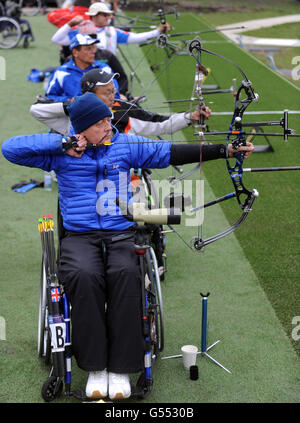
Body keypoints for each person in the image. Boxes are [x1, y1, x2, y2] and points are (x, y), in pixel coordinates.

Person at [2, 93, 253, 400]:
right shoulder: (62, 152)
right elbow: (9, 149)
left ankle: (120, 368)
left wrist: (225, 149)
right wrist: (61, 145)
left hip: (121, 232)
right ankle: (96, 367)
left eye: (108, 118)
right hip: (80, 237)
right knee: (83, 275)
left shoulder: (124, 144)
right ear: (81, 130)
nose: (110, 125)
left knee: (125, 273)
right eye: (100, 122)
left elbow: (170, 152)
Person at [31, 69, 211, 137]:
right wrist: (75, 106)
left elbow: (161, 124)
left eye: (113, 91)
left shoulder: (123, 109)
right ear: (88, 95)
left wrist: (191, 117)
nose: (113, 97)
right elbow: (36, 111)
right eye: (107, 93)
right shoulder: (75, 115)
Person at [51, 2, 170, 56]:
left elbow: (136, 38)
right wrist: (70, 24)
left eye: (109, 15)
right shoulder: (81, 31)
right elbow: (56, 39)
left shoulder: (112, 32)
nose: (108, 17)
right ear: (94, 16)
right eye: (104, 15)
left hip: (108, 72)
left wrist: (158, 31)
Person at [46, 33, 120, 102]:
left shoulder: (104, 69)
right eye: (88, 49)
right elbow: (50, 97)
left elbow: (115, 93)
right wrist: (68, 100)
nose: (93, 52)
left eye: (93, 48)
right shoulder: (61, 72)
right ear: (75, 52)